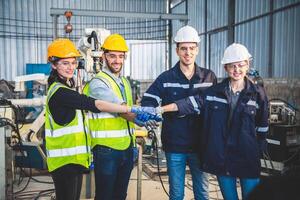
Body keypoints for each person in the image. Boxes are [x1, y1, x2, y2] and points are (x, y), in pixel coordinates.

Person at [45, 38, 155, 200]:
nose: (71, 68)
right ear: (54, 65)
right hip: (66, 160)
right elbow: (95, 104)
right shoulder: (61, 92)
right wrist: (133, 110)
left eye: (73, 63)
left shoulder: (67, 87)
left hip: (75, 158)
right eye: (65, 63)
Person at [156, 43, 269, 200]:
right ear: (225, 68)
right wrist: (161, 109)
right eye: (232, 66)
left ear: (247, 65)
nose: (237, 70)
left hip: (248, 158)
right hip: (224, 159)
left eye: (241, 65)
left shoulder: (258, 94)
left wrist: (256, 150)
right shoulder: (214, 92)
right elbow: (191, 103)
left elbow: (262, 128)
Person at [141, 25, 217, 200]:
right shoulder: (166, 78)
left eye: (191, 48)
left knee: (202, 193)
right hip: (175, 145)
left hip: (201, 146)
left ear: (197, 49)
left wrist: (170, 108)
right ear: (177, 50)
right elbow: (148, 100)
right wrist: (149, 114)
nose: (187, 53)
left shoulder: (208, 77)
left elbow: (209, 105)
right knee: (176, 194)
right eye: (183, 48)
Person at [83, 33, 149, 200]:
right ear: (104, 56)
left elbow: (127, 112)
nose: (117, 60)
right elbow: (120, 108)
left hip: (126, 148)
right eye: (112, 56)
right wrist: (141, 116)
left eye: (120, 56)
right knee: (105, 196)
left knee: (120, 195)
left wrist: (141, 121)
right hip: (106, 150)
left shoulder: (124, 82)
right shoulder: (98, 82)